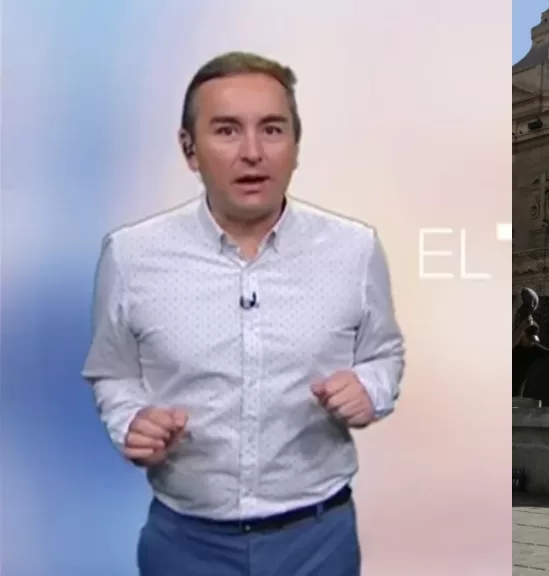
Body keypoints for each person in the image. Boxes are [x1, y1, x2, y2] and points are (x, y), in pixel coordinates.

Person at [81, 52, 405, 576]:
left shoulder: (355, 249)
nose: (252, 153)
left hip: (318, 541)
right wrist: (129, 421)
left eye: (272, 130)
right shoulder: (130, 255)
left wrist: (371, 385)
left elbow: (384, 353)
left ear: (295, 146)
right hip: (185, 543)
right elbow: (113, 371)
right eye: (227, 131)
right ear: (189, 150)